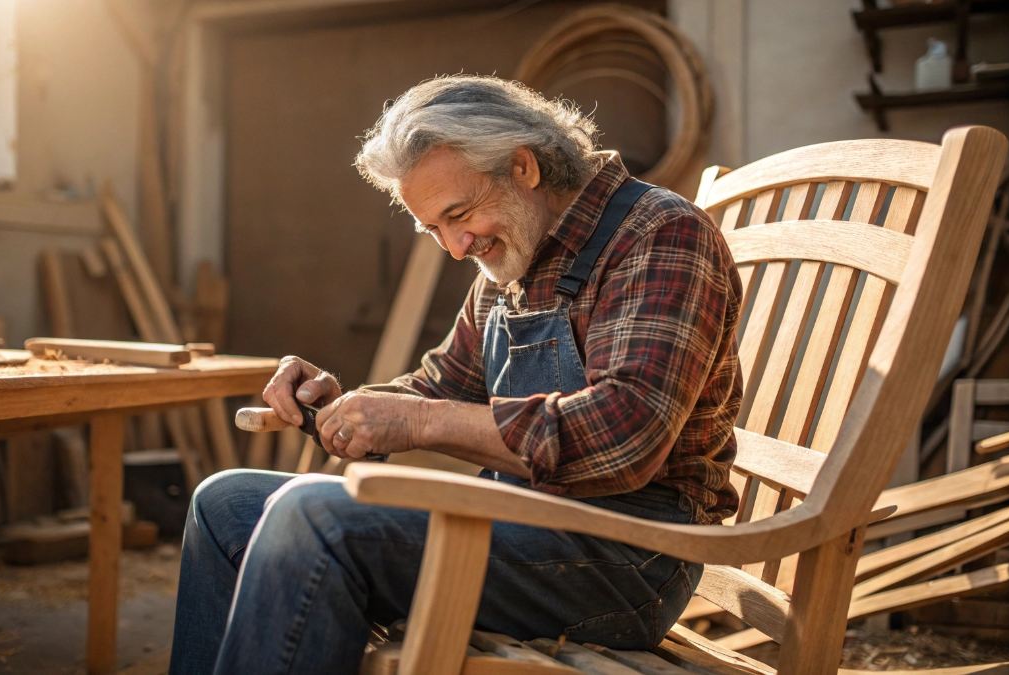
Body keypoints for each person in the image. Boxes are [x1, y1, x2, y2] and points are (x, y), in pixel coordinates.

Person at [169, 74, 742, 674]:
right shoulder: (516, 253)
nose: (455, 247)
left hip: (626, 561)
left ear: (524, 167)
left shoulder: (657, 235)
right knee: (225, 503)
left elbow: (625, 439)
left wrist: (417, 420)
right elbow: (439, 388)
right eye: (433, 228)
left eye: (458, 214)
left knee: (315, 518)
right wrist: (344, 404)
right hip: (521, 526)